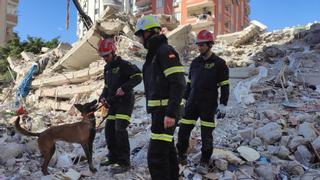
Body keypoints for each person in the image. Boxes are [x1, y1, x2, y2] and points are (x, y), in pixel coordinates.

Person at [134, 15, 186, 180]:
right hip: (160, 112)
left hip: (166, 112)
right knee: (168, 151)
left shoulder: (165, 51)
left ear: (147, 33)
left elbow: (178, 83)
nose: (140, 40)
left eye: (140, 35)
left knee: (155, 157)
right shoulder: (154, 54)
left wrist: (171, 112)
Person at [176, 29, 230, 174]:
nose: (199, 47)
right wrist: (183, 99)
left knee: (206, 135)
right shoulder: (195, 63)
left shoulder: (220, 63)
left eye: (202, 45)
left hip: (208, 105)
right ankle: (181, 156)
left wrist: (224, 104)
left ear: (210, 44)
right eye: (198, 44)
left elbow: (225, 86)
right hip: (192, 104)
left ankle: (204, 162)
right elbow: (189, 84)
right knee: (183, 132)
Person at [98, 38, 142, 174]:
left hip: (125, 102)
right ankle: (113, 157)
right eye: (103, 56)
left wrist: (124, 87)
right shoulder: (107, 68)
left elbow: (138, 76)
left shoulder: (124, 65)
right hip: (113, 103)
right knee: (109, 130)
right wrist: (102, 96)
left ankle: (124, 162)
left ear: (113, 52)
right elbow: (106, 86)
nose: (105, 58)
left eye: (107, 55)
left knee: (119, 129)